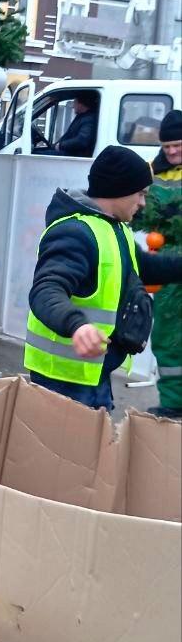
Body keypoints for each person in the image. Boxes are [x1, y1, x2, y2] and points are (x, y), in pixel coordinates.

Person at [24, 145, 182, 411]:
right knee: (68, 452)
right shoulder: (76, 232)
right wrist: (77, 325)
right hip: (64, 379)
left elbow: (146, 267)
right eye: (140, 194)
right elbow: (46, 289)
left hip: (93, 373)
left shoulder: (113, 227)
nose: (143, 203)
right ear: (119, 190)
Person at [146, 110, 182, 417]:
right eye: (166, 145)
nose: (171, 151)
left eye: (178, 145)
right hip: (167, 264)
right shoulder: (152, 172)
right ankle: (172, 403)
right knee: (167, 336)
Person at [52, 91, 98, 157]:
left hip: (75, 156)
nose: (73, 106)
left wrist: (61, 145)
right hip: (70, 153)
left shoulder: (89, 119)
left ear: (81, 104)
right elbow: (68, 136)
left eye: (75, 103)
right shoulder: (82, 117)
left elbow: (82, 141)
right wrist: (54, 146)